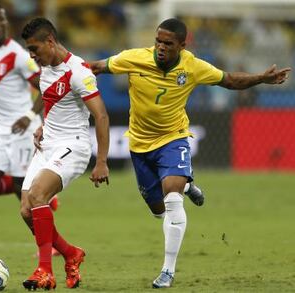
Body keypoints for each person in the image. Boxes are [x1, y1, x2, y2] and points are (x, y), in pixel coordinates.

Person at [89, 18, 291, 289]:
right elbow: (96, 67)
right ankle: (188, 184)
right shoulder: (134, 58)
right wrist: (62, 68)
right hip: (139, 144)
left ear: (182, 46)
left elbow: (228, 80)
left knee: (172, 201)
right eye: (158, 41)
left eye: (168, 44)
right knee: (158, 210)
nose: (161, 47)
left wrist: (261, 79)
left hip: (174, 138)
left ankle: (167, 271)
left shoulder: (192, 66)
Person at [20, 17, 110, 290]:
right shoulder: (46, 68)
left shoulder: (79, 71)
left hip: (74, 145)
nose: (33, 56)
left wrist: (102, 162)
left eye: (35, 49)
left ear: (50, 41)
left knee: (37, 196)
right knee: (26, 211)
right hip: (48, 145)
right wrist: (44, 127)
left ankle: (44, 271)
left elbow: (101, 116)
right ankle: (71, 254)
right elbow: (53, 101)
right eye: (29, 51)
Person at [0, 4, 59, 241]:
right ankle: (39, 192)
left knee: (26, 197)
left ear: (6, 25)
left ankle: (48, 242)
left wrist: (29, 115)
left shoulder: (18, 54)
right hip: (0, 130)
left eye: (0, 19)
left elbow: (44, 85)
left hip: (23, 129)